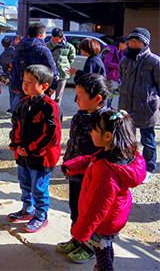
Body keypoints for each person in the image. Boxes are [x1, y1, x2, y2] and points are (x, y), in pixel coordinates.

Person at [61, 109, 146, 271]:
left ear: (107, 136)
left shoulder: (105, 170)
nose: (90, 133)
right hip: (114, 216)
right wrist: (73, 165)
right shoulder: (121, 153)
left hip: (104, 222)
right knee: (106, 245)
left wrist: (80, 231)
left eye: (93, 130)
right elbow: (92, 159)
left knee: (102, 250)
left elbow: (97, 206)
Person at [56, 73, 113, 264]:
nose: (76, 98)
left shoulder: (106, 122)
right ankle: (77, 238)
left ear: (97, 99)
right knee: (75, 210)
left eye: (80, 95)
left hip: (93, 179)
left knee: (89, 214)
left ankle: (89, 247)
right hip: (76, 175)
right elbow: (72, 141)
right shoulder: (80, 115)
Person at [7, 64, 61, 233]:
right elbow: (15, 125)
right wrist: (16, 145)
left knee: (39, 187)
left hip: (41, 156)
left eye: (31, 81)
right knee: (25, 183)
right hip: (23, 154)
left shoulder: (49, 106)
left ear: (44, 86)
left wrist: (31, 149)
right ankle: (27, 209)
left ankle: (40, 215)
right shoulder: (22, 103)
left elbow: (52, 134)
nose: (25, 84)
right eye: (24, 80)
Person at [118, 27, 160, 184]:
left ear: (145, 43)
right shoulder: (124, 60)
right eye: (131, 41)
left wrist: (155, 104)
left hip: (146, 108)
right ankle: (130, 163)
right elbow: (122, 79)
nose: (133, 44)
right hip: (126, 106)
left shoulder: (154, 61)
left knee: (148, 140)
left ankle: (149, 168)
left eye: (137, 41)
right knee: (127, 138)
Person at [11, 23, 58, 99]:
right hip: (40, 88)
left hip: (24, 88)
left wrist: (16, 85)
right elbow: (51, 69)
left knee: (26, 108)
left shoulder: (19, 48)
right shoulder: (43, 50)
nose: (45, 36)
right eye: (44, 34)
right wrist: (53, 85)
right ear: (39, 35)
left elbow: (15, 68)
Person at [46, 28, 76, 106]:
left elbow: (72, 58)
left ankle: (56, 110)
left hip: (63, 73)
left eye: (57, 39)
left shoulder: (69, 46)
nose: (55, 41)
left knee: (58, 96)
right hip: (51, 73)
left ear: (61, 38)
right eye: (53, 38)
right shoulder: (47, 46)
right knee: (48, 94)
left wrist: (66, 66)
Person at [103, 36, 127, 107]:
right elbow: (107, 62)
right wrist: (119, 65)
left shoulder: (121, 51)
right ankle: (107, 106)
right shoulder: (112, 50)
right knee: (110, 93)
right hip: (110, 76)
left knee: (113, 93)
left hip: (116, 76)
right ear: (120, 44)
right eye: (126, 44)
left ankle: (108, 106)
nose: (126, 46)